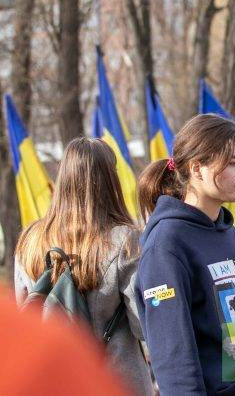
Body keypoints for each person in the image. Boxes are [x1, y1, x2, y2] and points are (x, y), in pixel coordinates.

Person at [135, 114, 235, 395]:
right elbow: (173, 354)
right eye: (232, 162)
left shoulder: (230, 234)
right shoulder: (167, 243)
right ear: (197, 168)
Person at [13, 137, 153, 395]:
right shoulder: (124, 240)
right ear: (110, 181)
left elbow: (26, 318)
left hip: (51, 383)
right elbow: (144, 325)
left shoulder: (30, 240)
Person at [0, 290, 131, 395]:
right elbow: (139, 327)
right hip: (119, 369)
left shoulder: (24, 257)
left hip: (47, 372)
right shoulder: (114, 256)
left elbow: (23, 304)